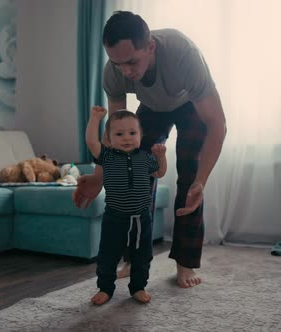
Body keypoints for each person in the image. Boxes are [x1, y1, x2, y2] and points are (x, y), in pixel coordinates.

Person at [73, 11, 226, 289]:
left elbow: (217, 124)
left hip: (189, 105)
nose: (125, 71)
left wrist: (201, 180)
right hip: (153, 108)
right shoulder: (114, 71)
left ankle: (185, 263)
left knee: (190, 180)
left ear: (151, 47)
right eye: (118, 63)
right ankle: (134, 258)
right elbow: (115, 134)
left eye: (132, 62)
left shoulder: (184, 55)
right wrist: (98, 177)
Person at [86, 106, 167, 305]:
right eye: (119, 133)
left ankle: (138, 287)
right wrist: (95, 118)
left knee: (142, 256)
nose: (127, 138)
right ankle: (105, 289)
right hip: (115, 217)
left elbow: (160, 173)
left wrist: (161, 156)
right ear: (110, 137)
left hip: (141, 218)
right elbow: (91, 141)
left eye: (132, 133)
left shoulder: (145, 158)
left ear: (141, 135)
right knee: (108, 256)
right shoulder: (108, 156)